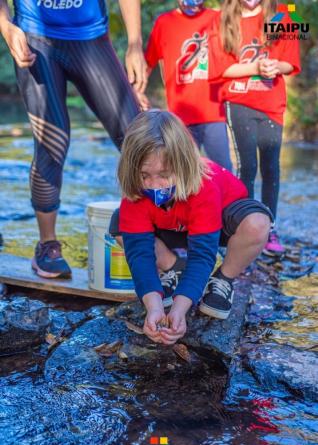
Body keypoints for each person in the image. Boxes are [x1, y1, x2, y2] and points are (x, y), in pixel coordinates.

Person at [0, 0, 147, 278]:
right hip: (34, 38)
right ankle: (47, 245)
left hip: (91, 38)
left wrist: (135, 43)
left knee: (140, 140)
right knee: (52, 143)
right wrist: (6, 27)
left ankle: (157, 236)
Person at [110, 110, 272, 345]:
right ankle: (174, 268)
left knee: (258, 223)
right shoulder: (136, 192)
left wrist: (179, 309)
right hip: (173, 227)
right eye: (144, 175)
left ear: (183, 164)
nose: (154, 185)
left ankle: (224, 278)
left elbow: (203, 254)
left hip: (219, 227)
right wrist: (153, 307)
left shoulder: (204, 187)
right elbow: (139, 255)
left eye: (164, 175)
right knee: (119, 223)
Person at [209, 0, 301, 254]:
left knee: (270, 167)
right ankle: (242, 225)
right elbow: (221, 69)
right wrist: (256, 67)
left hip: (272, 105)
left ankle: (269, 226)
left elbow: (290, 62)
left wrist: (275, 66)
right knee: (247, 167)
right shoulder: (225, 19)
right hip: (239, 102)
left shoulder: (279, 16)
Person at [141, 0, 232, 170]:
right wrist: (137, 91)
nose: (194, 5)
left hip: (215, 113)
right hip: (180, 117)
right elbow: (148, 62)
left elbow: (234, 58)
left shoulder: (217, 18)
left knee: (225, 172)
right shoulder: (164, 23)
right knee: (184, 174)